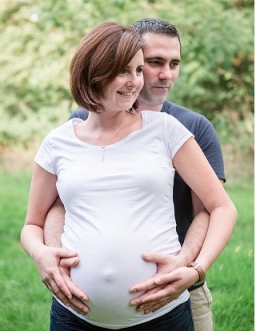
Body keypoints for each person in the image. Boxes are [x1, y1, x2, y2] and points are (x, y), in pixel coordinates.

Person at [20, 21, 238, 330]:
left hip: (167, 305)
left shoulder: (178, 129)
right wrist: (45, 254)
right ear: (97, 70)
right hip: (77, 316)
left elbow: (217, 207)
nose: (160, 75)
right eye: (148, 64)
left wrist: (193, 267)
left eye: (173, 64)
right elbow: (48, 212)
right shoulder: (62, 137)